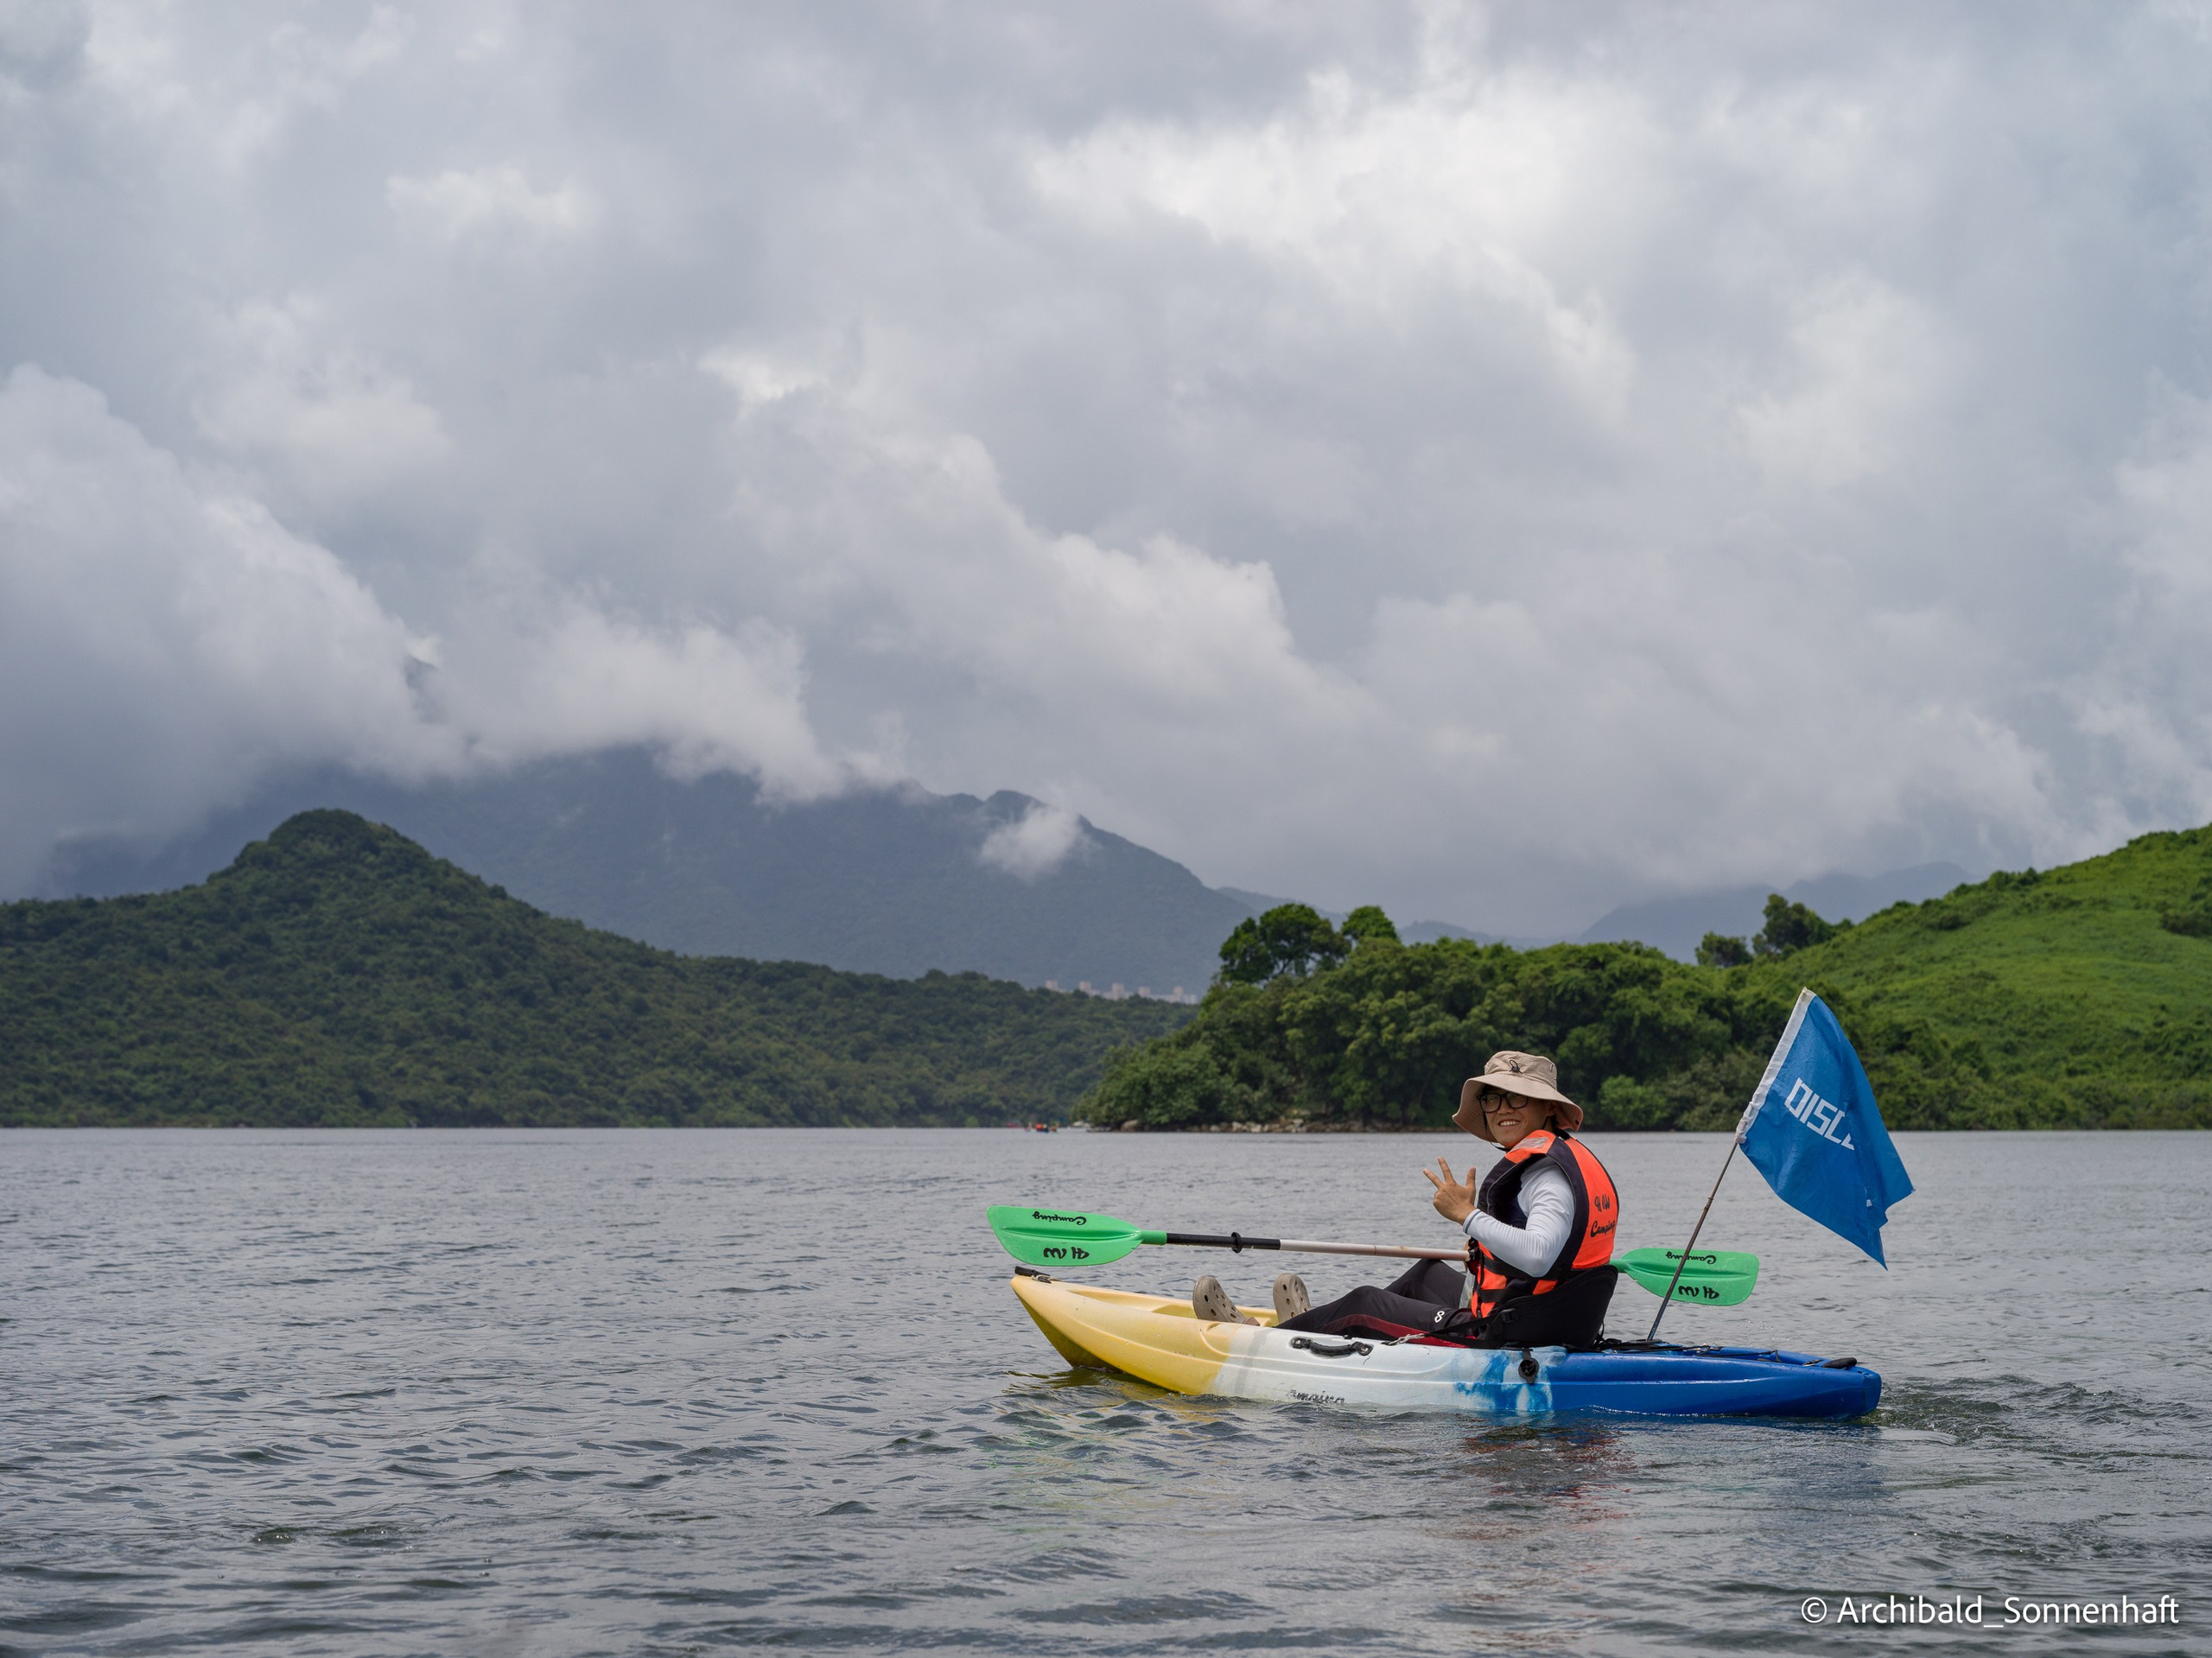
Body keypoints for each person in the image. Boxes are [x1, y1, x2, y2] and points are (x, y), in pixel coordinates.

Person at [1189, 1051, 1623, 1348]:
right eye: (1492, 1098)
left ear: (1547, 1106)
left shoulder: (1546, 1175)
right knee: (1427, 1273)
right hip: (1540, 1317)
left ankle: (1268, 1342)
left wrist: (1466, 1216)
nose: (1502, 1108)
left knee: (1363, 1302)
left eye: (1518, 1097)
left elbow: (1540, 1257)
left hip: (1507, 1334)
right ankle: (1312, 1327)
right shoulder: (1563, 1159)